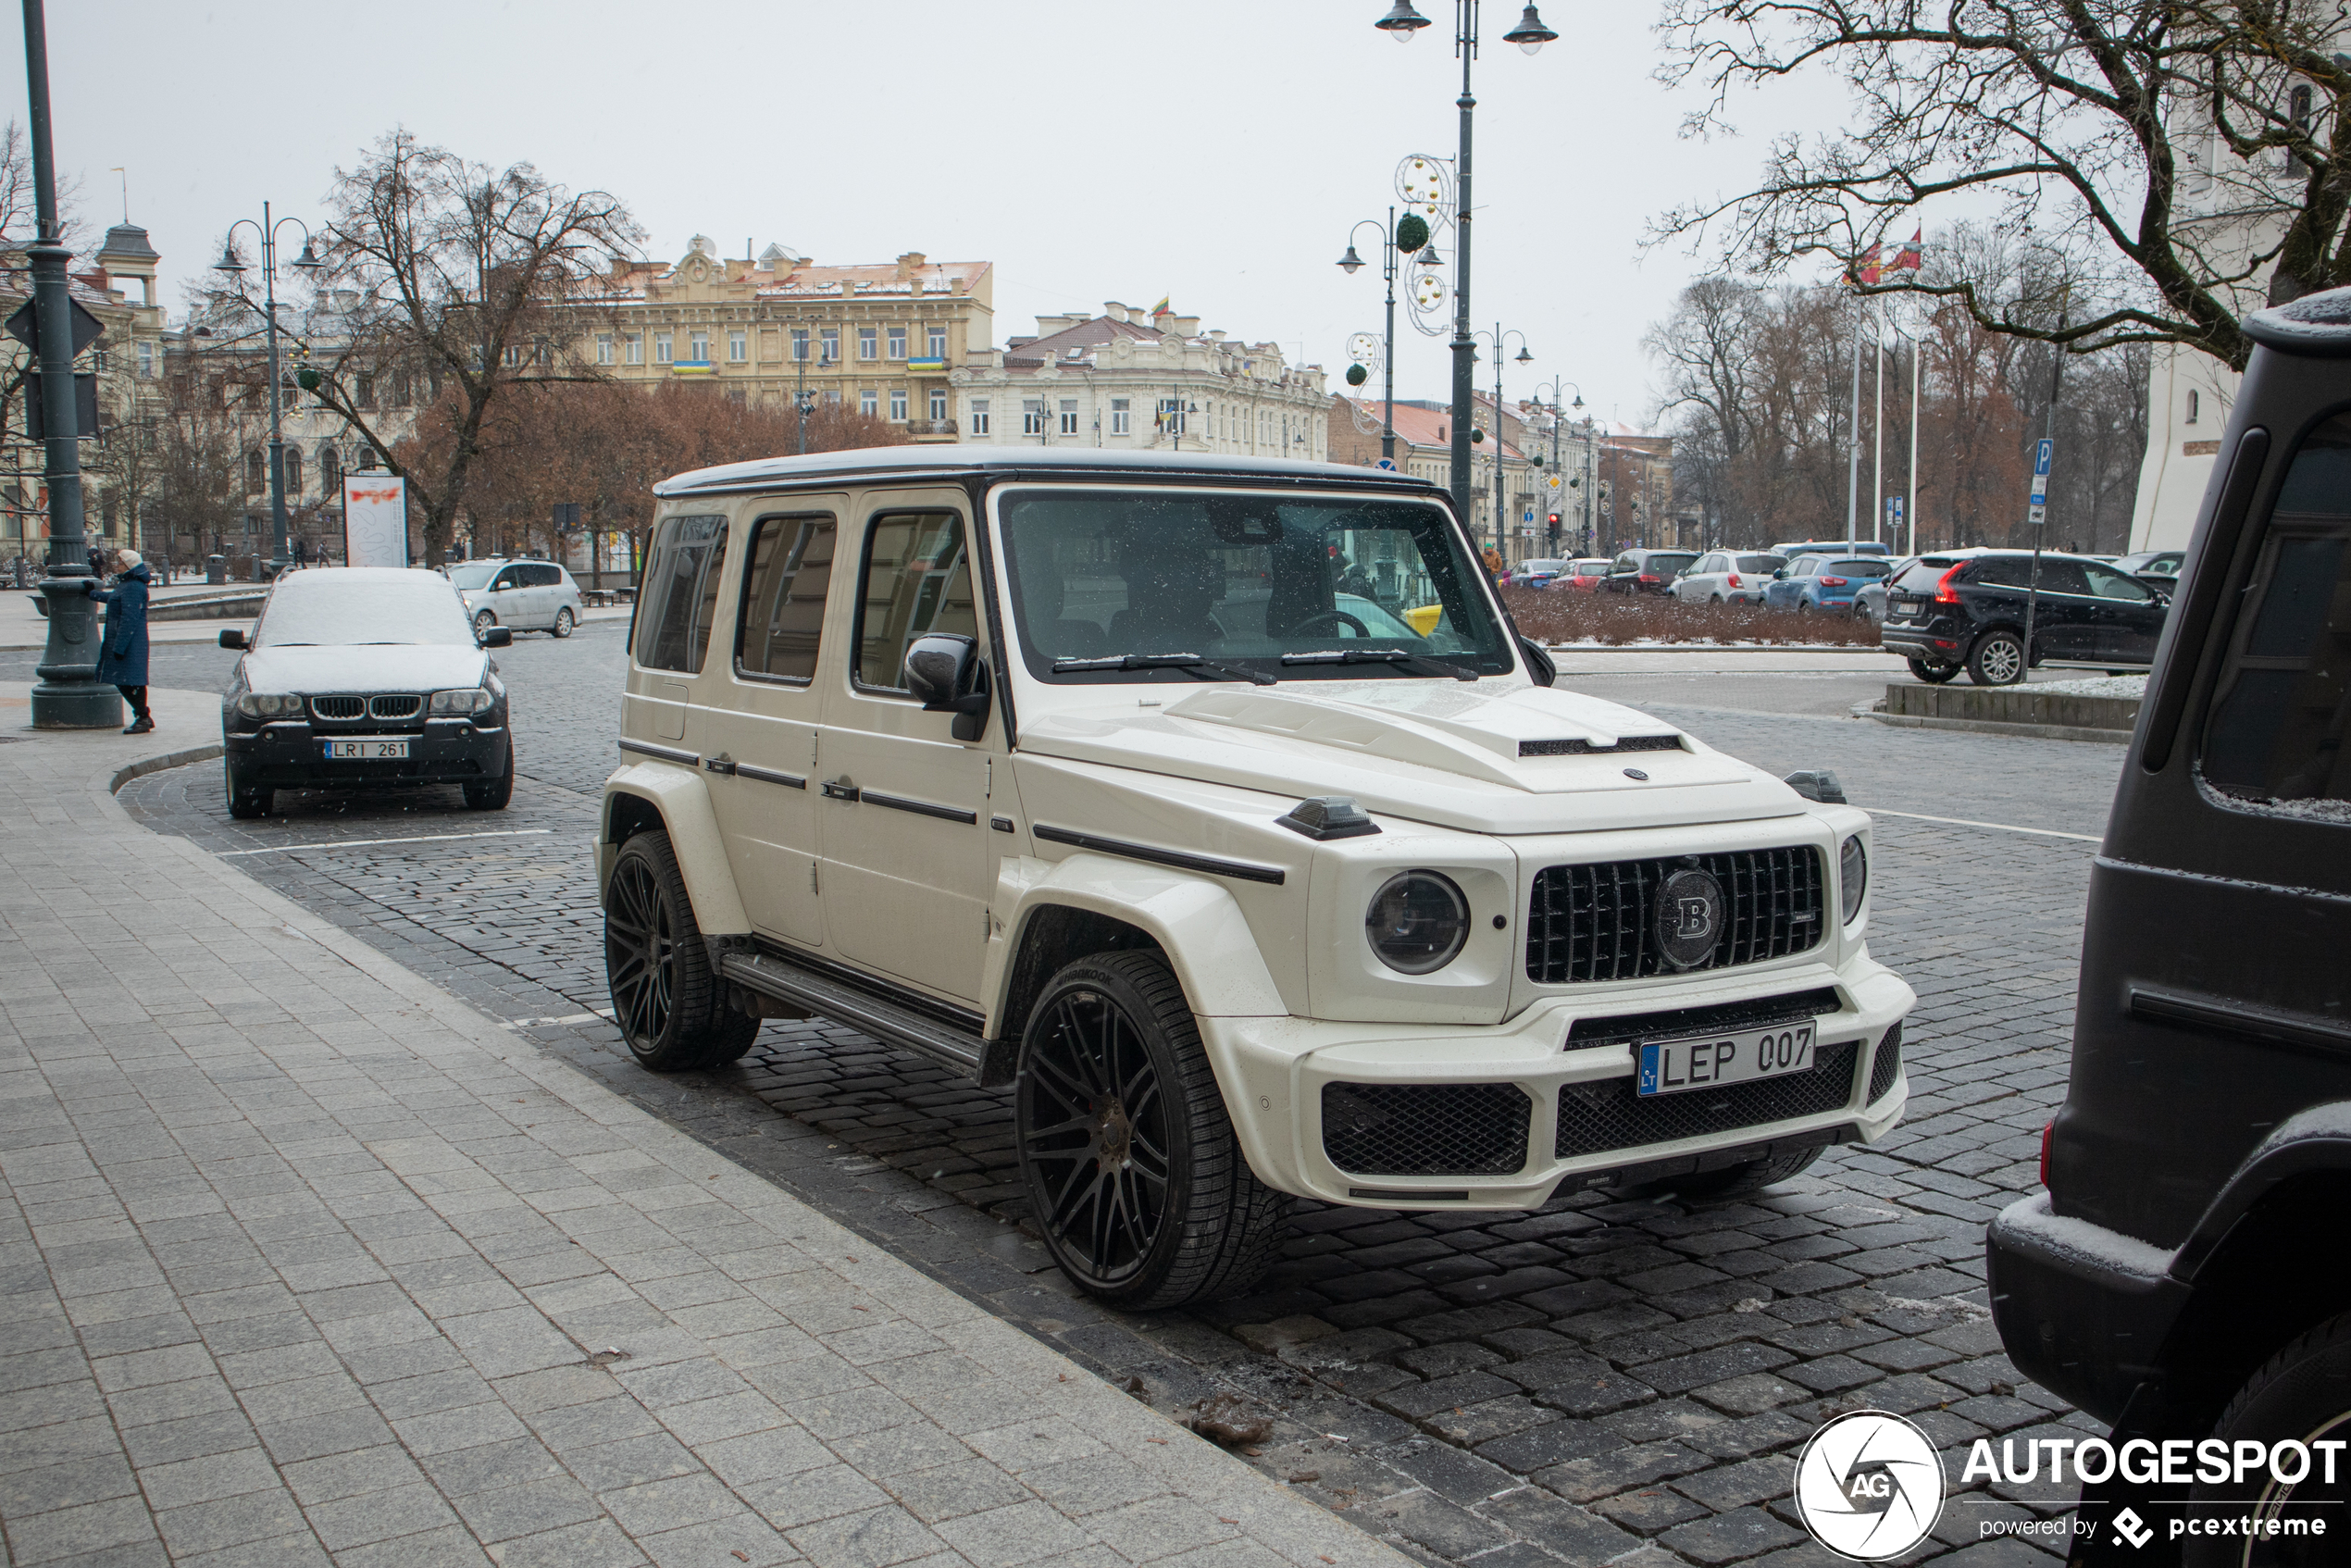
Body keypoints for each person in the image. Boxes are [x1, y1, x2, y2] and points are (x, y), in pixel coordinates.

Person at [84, 548, 153, 734]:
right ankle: (143, 716)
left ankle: (143, 717)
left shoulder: (132, 586)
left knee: (130, 681)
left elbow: (128, 619)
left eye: (119, 562)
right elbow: (114, 599)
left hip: (129, 641)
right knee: (128, 680)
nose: (116, 565)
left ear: (128, 565)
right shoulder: (129, 583)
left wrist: (120, 647)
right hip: (129, 640)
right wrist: (93, 594)